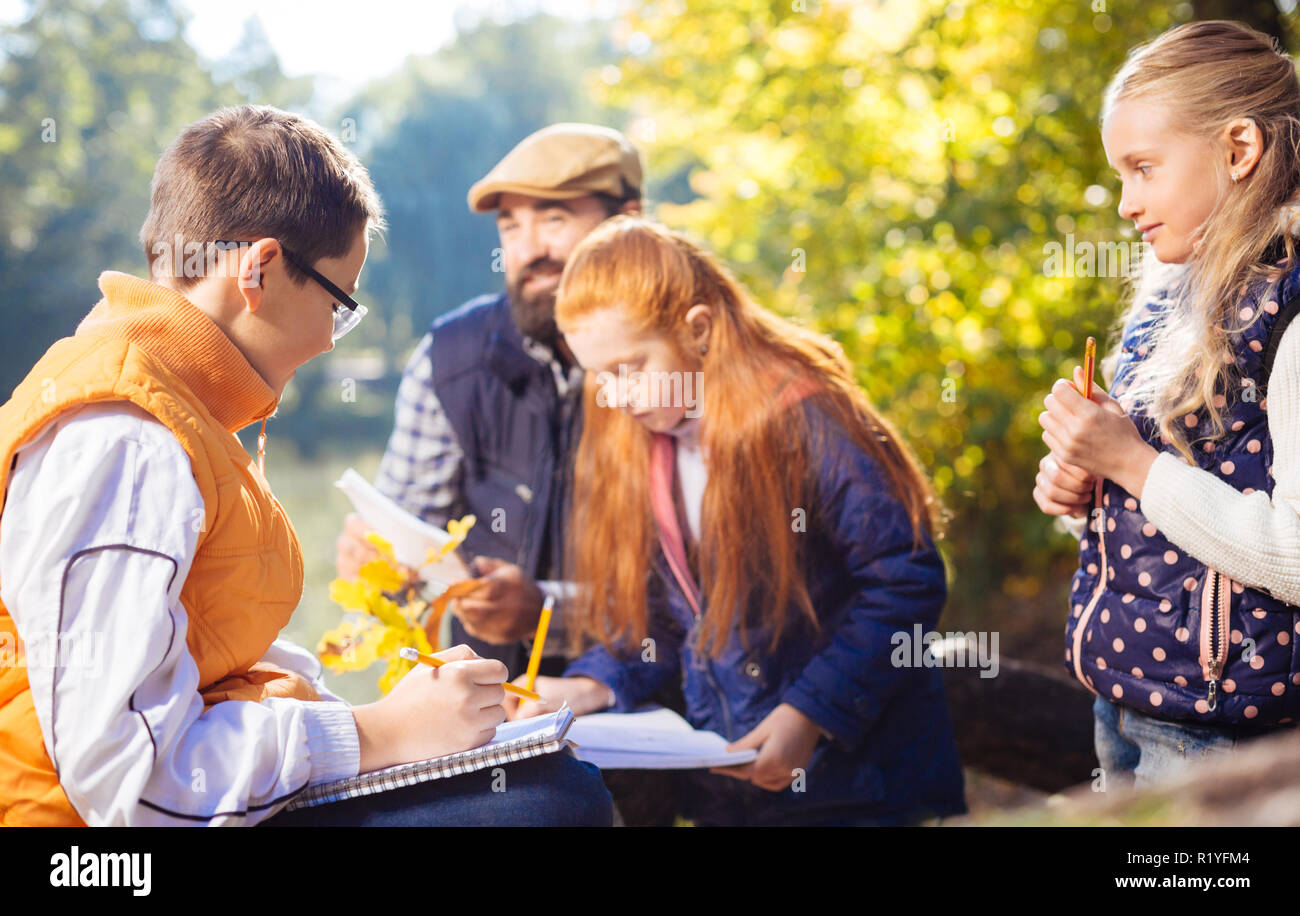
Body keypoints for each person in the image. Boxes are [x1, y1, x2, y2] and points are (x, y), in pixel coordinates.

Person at [0, 104, 610, 826]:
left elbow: (201, 655)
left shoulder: (173, 410)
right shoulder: (127, 442)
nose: (329, 340)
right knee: (549, 808)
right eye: (338, 303)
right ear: (258, 270)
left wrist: (388, 723)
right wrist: (376, 734)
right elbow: (129, 780)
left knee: (547, 781)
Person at [510, 216, 968, 826]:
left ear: (698, 330)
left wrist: (812, 713)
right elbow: (668, 622)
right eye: (600, 376)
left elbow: (905, 580)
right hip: (733, 792)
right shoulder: (650, 444)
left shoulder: (807, 423)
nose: (615, 397)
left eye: (630, 367)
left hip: (862, 791)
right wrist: (591, 684)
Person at [1036, 20, 1300, 790]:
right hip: (1128, 707)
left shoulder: (1289, 314)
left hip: (1226, 732)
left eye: (1144, 169)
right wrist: (1076, 486)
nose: (1126, 204)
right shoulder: (1169, 294)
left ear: (1239, 149)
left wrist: (1130, 461)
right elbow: (1148, 494)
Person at [335, 123, 643, 677]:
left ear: (629, 221)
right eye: (511, 225)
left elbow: (709, 594)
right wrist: (384, 571)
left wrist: (548, 612)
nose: (530, 249)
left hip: (660, 719)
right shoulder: (450, 358)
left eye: (555, 219)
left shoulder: (681, 367)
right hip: (492, 719)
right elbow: (411, 541)